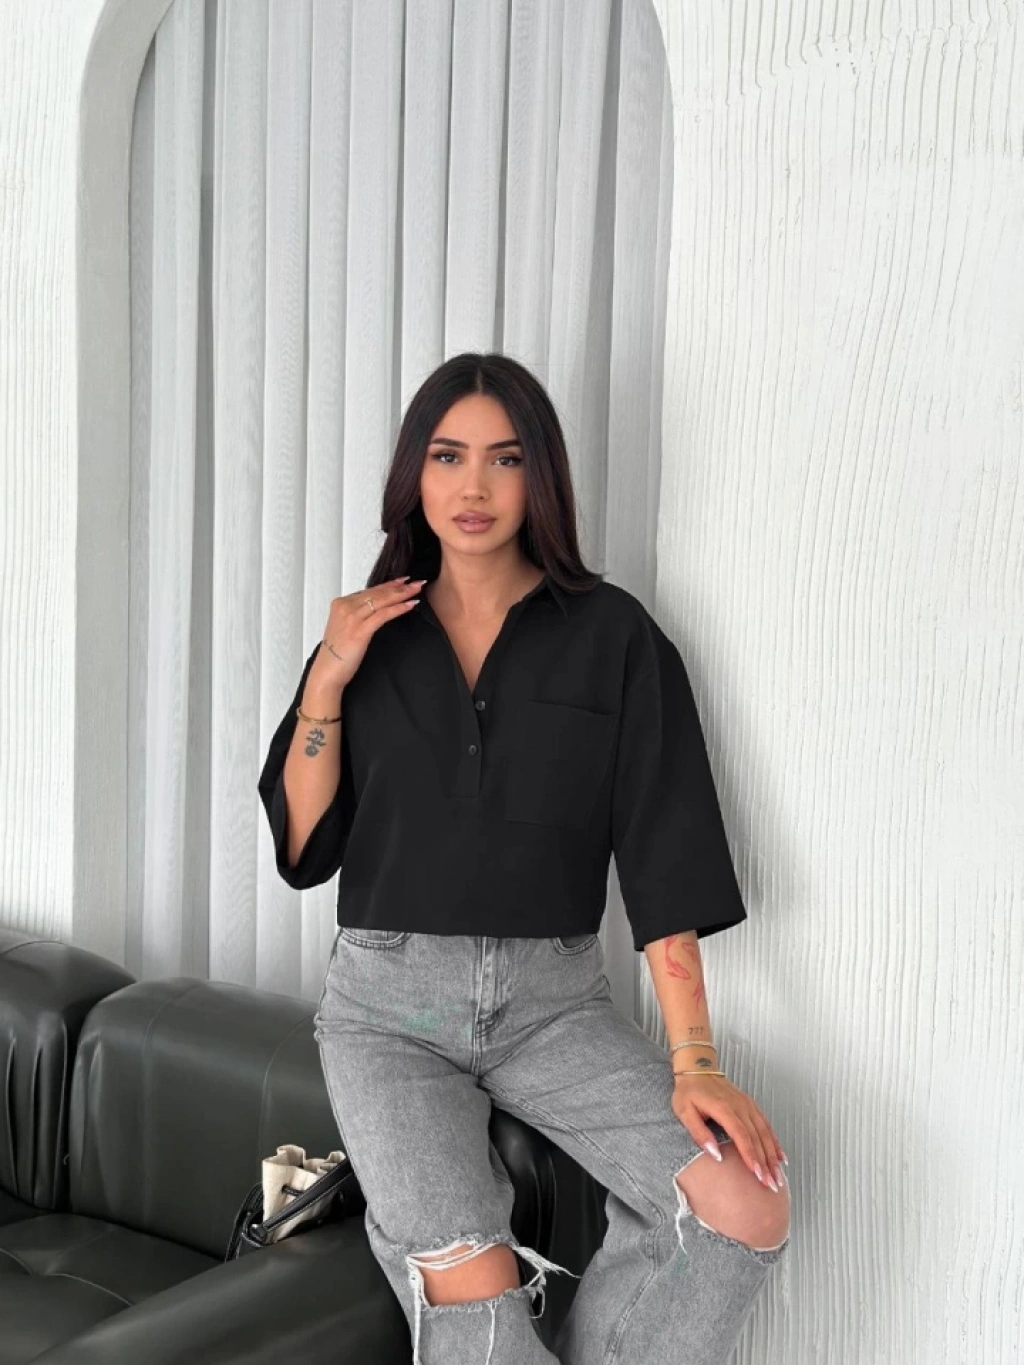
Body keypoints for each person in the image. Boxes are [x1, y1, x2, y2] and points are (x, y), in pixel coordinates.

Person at [257, 352, 791, 1365]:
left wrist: (696, 1061)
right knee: (476, 1294)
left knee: (743, 1204)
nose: (474, 486)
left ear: (539, 477)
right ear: (414, 474)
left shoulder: (614, 635)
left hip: (556, 1008)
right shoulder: (367, 636)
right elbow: (301, 845)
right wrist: (327, 676)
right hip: (389, 1015)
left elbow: (664, 858)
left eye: (504, 459)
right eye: (448, 456)